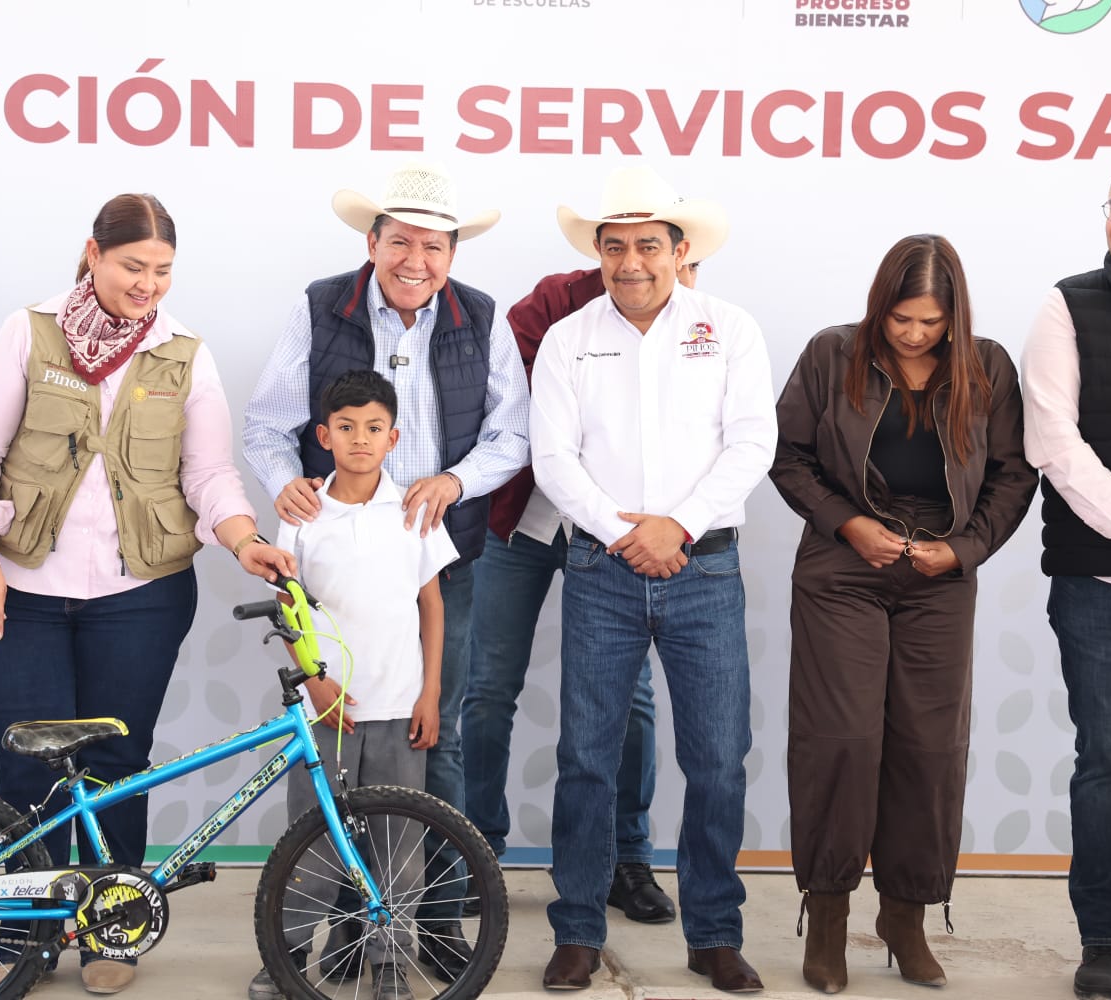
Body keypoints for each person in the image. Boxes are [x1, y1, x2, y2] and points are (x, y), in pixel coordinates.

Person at [0, 193, 293, 996]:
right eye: (133, 266)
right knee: (29, 771)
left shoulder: (185, 354)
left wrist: (244, 538)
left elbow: (209, 474)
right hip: (22, 589)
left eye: (163, 271)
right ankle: (25, 934)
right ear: (93, 254)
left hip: (141, 594)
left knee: (117, 765)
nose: (148, 285)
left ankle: (113, 928)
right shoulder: (28, 332)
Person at [242, 161, 530, 980]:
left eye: (434, 246)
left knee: (435, 740)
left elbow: (513, 434)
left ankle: (427, 923)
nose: (416, 260)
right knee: (333, 762)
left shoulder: (481, 317)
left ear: (453, 253)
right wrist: (286, 484)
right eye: (400, 241)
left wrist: (455, 482)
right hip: (333, 562)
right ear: (372, 242)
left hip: (441, 557)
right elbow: (267, 426)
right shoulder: (320, 306)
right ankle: (335, 935)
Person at [769, 234, 1036, 994]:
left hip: (941, 572)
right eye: (900, 319)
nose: (914, 335)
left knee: (930, 746)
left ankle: (906, 917)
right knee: (842, 739)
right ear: (878, 306)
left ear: (955, 316)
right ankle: (827, 916)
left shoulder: (987, 366)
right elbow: (788, 456)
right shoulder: (831, 355)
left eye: (930, 322)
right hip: (843, 565)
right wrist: (848, 524)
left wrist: (965, 549)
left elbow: (1014, 474)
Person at [529, 165, 774, 993]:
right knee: (587, 759)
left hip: (705, 566)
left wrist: (679, 525)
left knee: (718, 760)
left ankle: (714, 935)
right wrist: (625, 534)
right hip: (601, 569)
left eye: (646, 246)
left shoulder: (730, 329)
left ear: (680, 250)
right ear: (597, 254)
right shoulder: (569, 339)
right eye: (614, 247)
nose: (630, 262)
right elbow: (553, 458)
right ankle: (577, 931)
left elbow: (752, 442)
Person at [460, 241, 718, 925]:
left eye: (688, 268)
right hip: (522, 523)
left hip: (622, 536)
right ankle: (475, 849)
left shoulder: (703, 328)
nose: (668, 277)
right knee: (486, 689)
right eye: (628, 249)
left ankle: (624, 857)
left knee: (631, 700)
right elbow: (504, 387)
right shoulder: (558, 302)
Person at [247, 369, 458, 1000]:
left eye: (373, 428)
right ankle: (286, 956)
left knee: (399, 849)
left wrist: (430, 693)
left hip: (398, 704)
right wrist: (315, 685)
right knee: (311, 844)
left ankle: (388, 960)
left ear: (394, 438)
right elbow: (288, 607)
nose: (360, 439)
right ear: (324, 436)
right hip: (326, 711)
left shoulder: (414, 513)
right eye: (346, 427)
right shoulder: (303, 513)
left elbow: (432, 606)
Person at [1021, 151, 1111, 1000]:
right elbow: (1052, 440)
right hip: (1102, 583)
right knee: (1105, 767)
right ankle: (1103, 941)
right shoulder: (1067, 304)